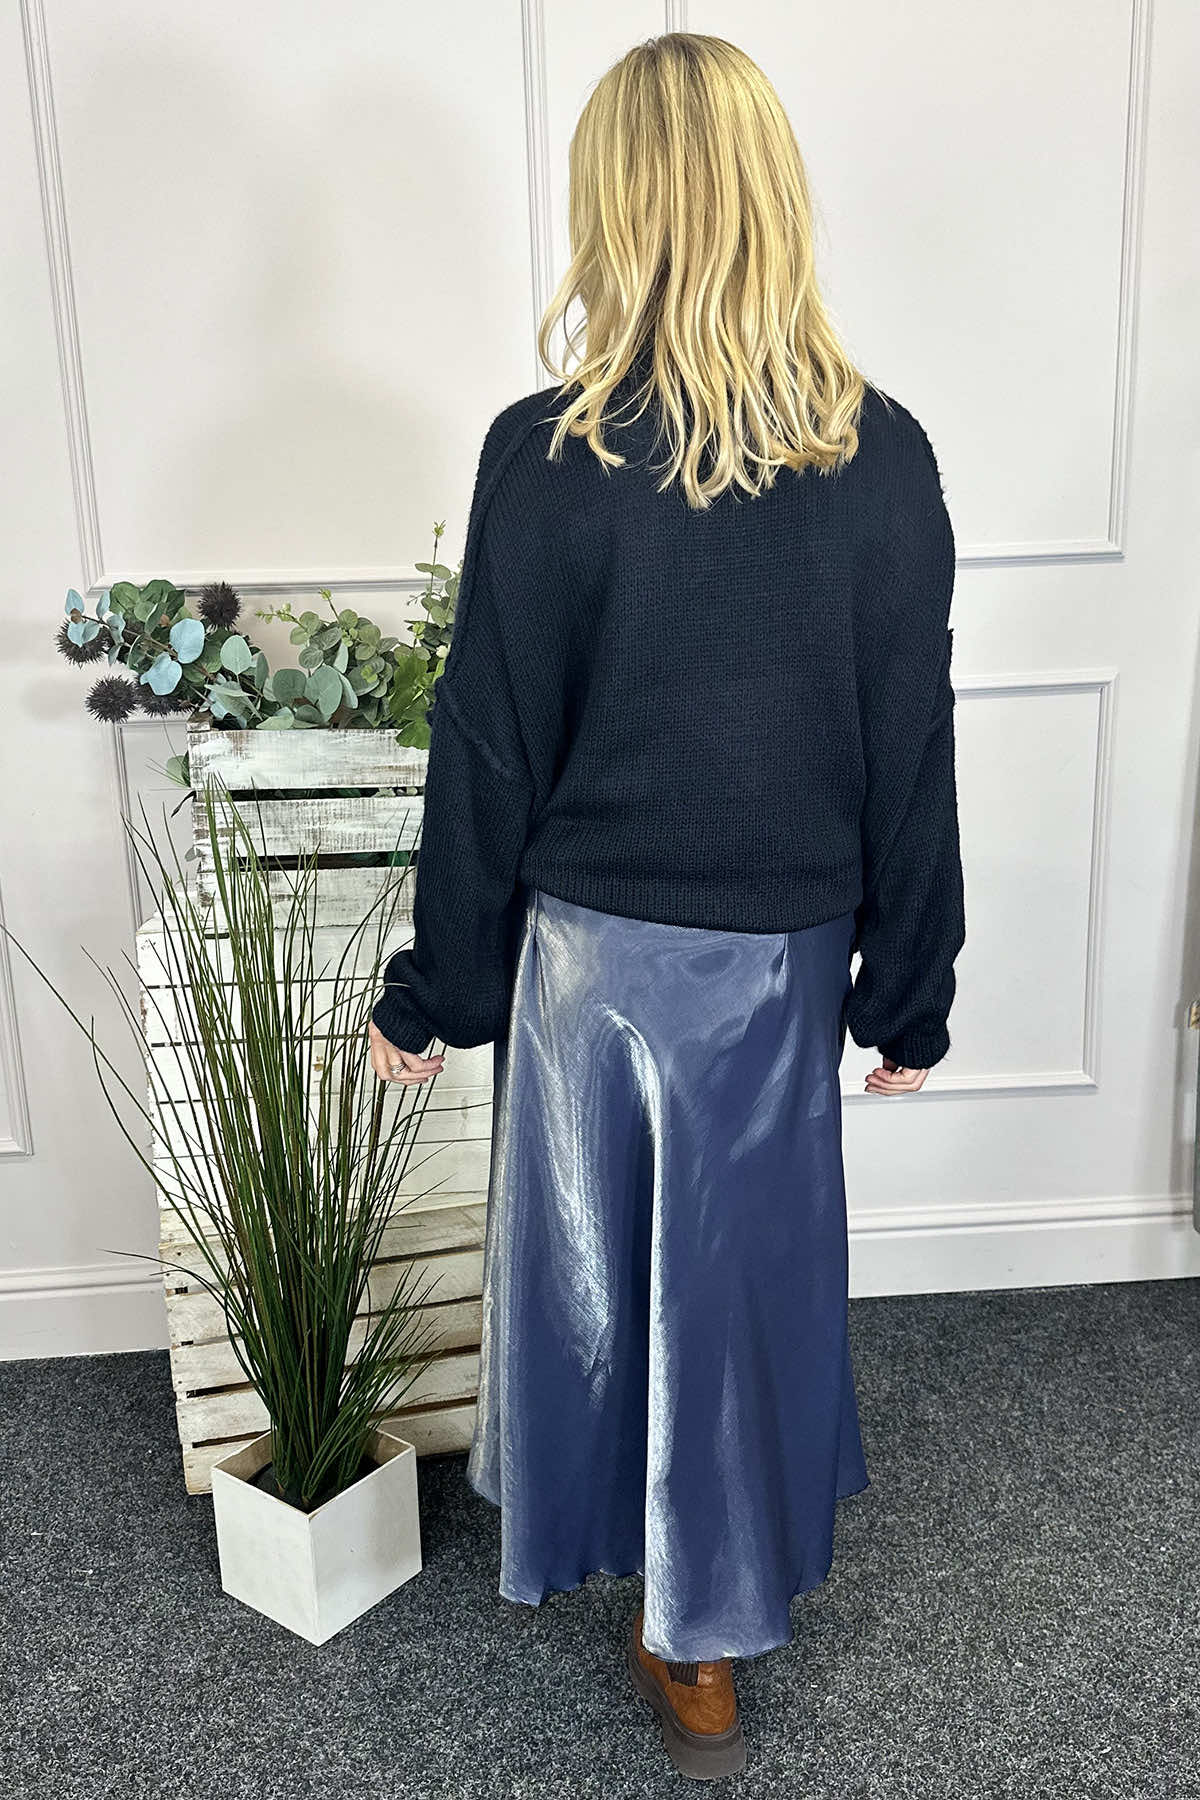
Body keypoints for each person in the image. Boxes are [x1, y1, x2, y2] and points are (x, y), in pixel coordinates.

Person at [369, 30, 965, 1783]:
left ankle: (670, 1601)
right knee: (729, 1288)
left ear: (610, 207)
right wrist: (908, 992)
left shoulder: (541, 454)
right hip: (772, 969)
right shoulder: (883, 454)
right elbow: (913, 744)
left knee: (607, 1285)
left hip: (590, 974)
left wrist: (437, 987)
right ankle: (698, 1625)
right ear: (778, 197)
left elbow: (486, 749)